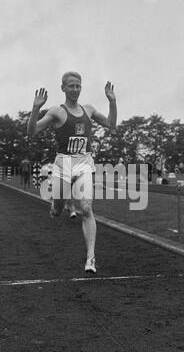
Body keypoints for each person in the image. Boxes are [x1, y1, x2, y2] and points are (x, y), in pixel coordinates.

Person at [27, 71, 117, 273]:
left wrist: (112, 101)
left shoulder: (89, 110)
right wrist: (35, 108)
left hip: (84, 162)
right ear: (63, 88)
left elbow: (112, 125)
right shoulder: (56, 112)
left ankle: (91, 259)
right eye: (71, 86)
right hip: (63, 164)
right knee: (57, 211)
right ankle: (55, 204)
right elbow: (31, 132)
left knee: (85, 208)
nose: (75, 89)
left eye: (78, 86)